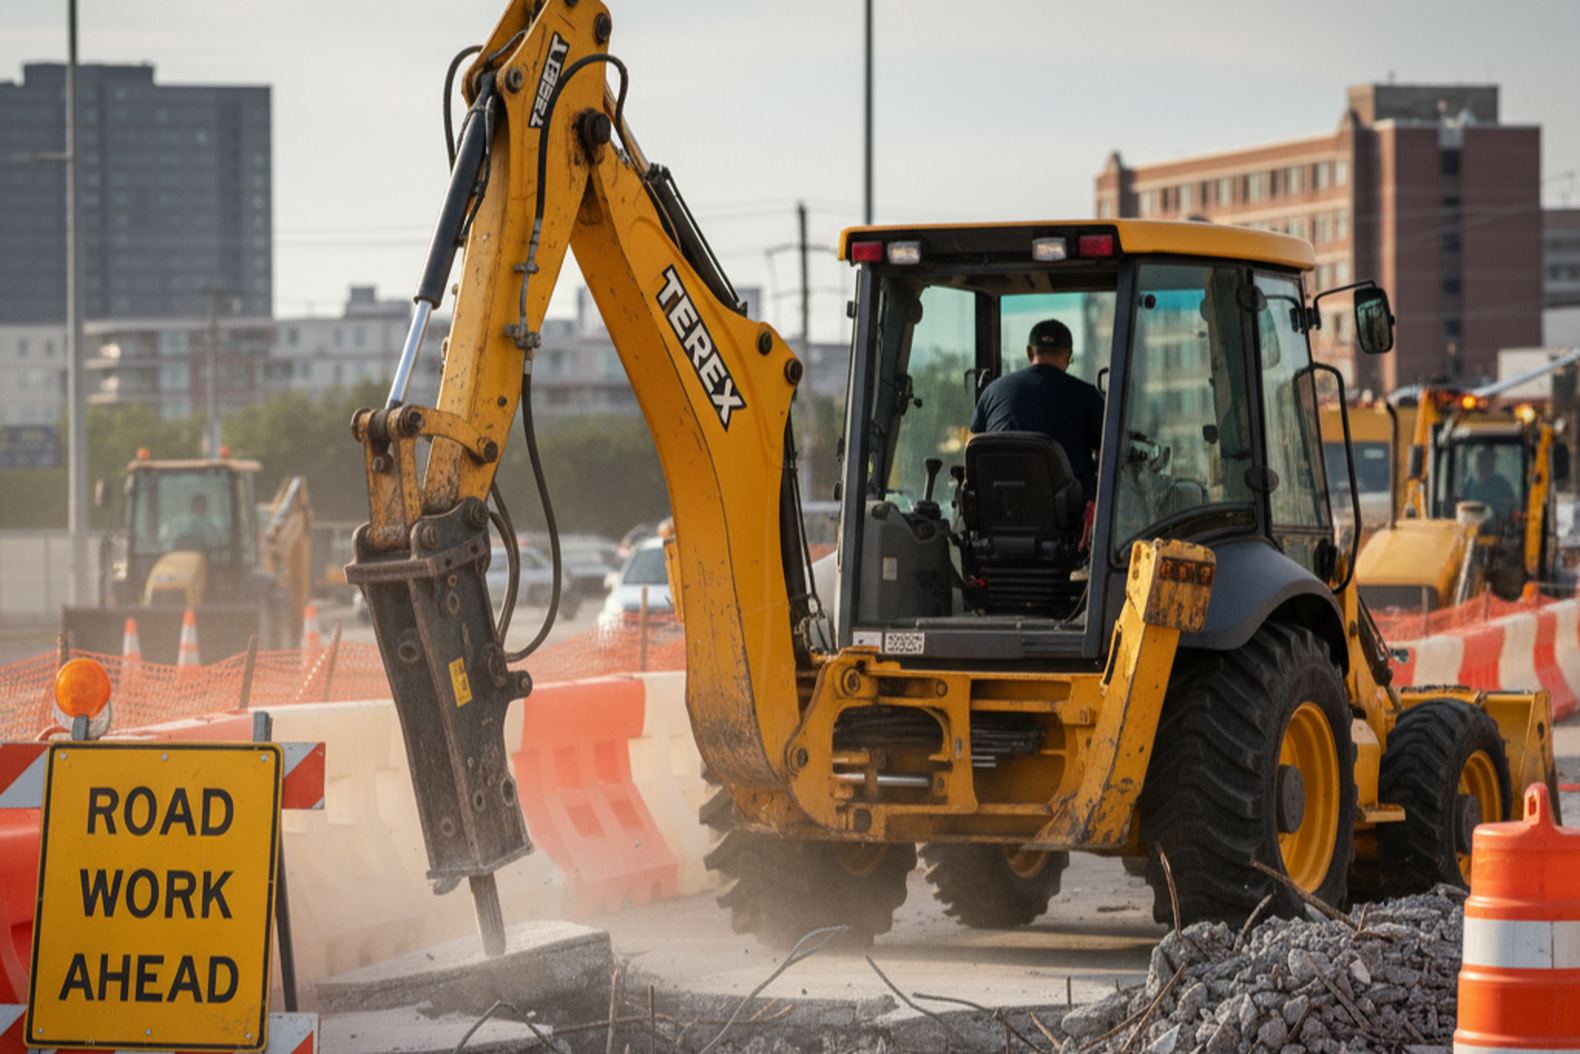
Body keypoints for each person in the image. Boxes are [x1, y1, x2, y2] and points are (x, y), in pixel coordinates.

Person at [969, 318, 1105, 501]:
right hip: (1069, 522)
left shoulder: (992, 391)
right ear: (1068, 356)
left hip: (1000, 512)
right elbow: (1109, 453)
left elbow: (974, 447)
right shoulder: (1087, 396)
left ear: (1029, 352)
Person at [1461, 447, 1517, 527]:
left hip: (1497, 530)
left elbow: (1512, 506)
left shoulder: (1502, 484)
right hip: (1470, 528)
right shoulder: (1469, 484)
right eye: (1480, 461)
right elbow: (1462, 506)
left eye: (1487, 462)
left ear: (1492, 464)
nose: (1482, 465)